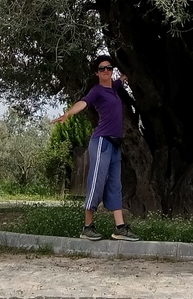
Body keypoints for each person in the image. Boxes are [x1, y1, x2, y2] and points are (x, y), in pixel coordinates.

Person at [52, 55, 140, 242]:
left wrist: (124, 72)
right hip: (101, 142)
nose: (106, 71)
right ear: (97, 73)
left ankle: (120, 228)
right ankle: (87, 227)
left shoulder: (114, 88)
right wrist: (68, 113)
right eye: (102, 69)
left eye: (109, 68)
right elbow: (83, 103)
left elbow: (123, 77)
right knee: (96, 182)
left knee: (115, 185)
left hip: (115, 144)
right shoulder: (97, 91)